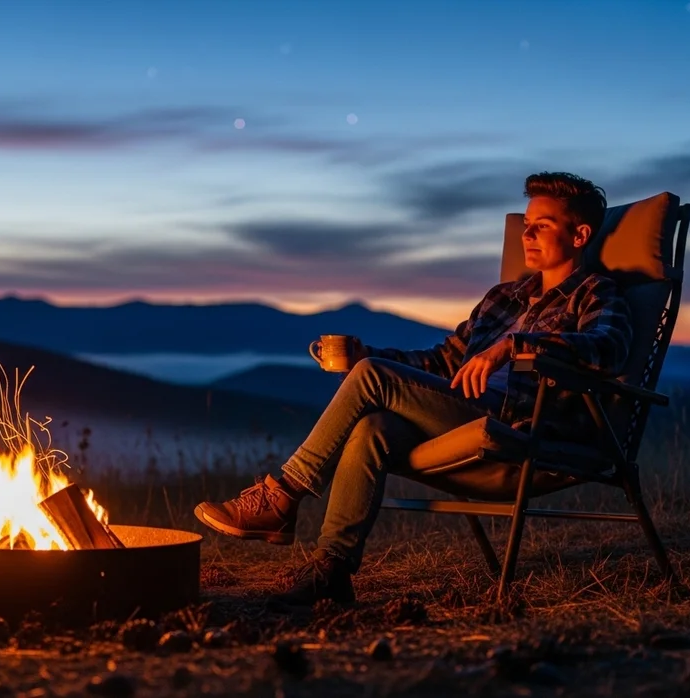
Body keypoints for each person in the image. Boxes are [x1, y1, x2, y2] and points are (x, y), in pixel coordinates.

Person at [193, 172, 634, 605]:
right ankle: (331, 571)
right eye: (526, 223)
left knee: (372, 376)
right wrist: (366, 352)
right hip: (465, 409)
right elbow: (443, 361)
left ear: (579, 235)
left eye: (543, 224)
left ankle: (283, 495)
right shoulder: (504, 297)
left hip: (523, 425)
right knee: (373, 428)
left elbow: (608, 349)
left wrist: (513, 347)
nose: (528, 234)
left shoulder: (596, 293)